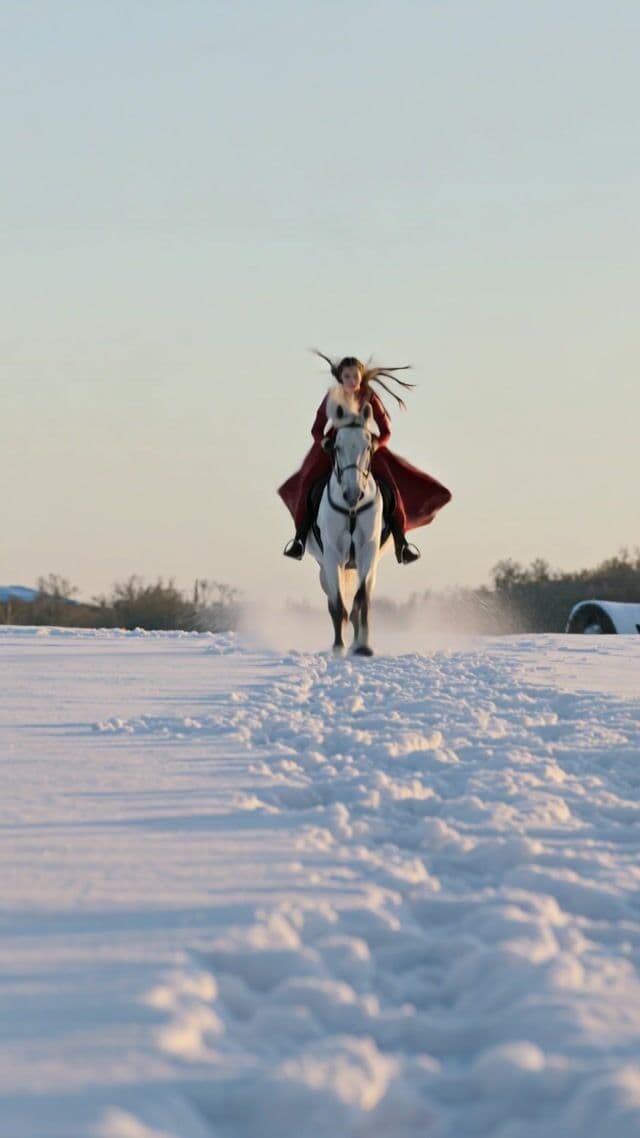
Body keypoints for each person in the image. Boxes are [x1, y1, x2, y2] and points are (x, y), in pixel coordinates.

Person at [278, 352, 452, 565]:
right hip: (335, 446)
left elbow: (386, 430)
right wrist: (323, 442)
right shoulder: (333, 396)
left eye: (355, 376)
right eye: (347, 377)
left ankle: (401, 543)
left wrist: (377, 444)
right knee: (308, 485)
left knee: (391, 489)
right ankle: (300, 540)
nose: (352, 381)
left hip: (366, 447)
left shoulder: (369, 396)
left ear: (361, 377)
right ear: (341, 378)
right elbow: (316, 428)